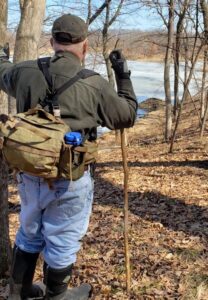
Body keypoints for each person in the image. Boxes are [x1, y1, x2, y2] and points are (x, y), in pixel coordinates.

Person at [0, 14, 138, 300]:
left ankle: (20, 291)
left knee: (29, 230)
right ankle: (57, 296)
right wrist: (123, 76)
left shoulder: (24, 72)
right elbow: (126, 115)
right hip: (70, 178)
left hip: (30, 173)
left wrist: (1, 56)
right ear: (85, 46)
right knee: (62, 238)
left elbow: (3, 71)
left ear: (52, 42)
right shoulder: (93, 83)